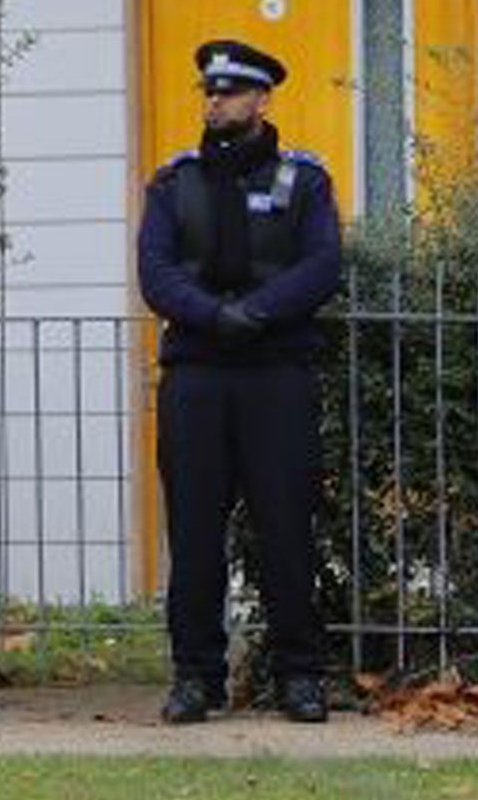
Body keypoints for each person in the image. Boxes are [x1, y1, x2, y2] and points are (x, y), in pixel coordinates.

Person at [137, 39, 344, 725]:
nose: (215, 101)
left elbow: (320, 266)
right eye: (208, 91)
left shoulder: (305, 180)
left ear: (262, 99)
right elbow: (156, 272)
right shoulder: (174, 183)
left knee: (286, 527)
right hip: (197, 377)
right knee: (194, 534)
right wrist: (213, 317)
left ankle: (300, 676)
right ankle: (196, 678)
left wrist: (254, 314)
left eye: (230, 91)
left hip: (276, 374)